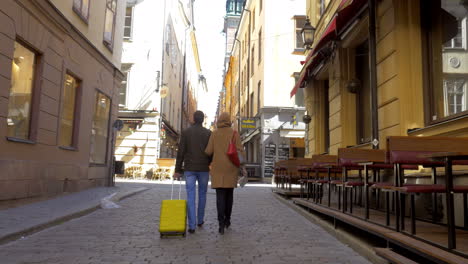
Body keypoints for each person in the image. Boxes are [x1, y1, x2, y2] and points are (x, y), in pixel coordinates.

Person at [205, 112, 245, 234]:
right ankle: (227, 219)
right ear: (228, 121)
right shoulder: (234, 133)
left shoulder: (214, 134)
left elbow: (208, 151)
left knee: (220, 196)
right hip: (231, 168)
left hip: (217, 169)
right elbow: (240, 152)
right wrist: (242, 166)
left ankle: (220, 224)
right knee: (229, 195)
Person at [174, 110, 212, 234]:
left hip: (189, 168)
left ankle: (191, 226)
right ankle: (200, 220)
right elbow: (211, 152)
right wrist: (210, 163)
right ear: (203, 120)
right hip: (204, 169)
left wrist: (178, 170)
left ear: (194, 119)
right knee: (202, 195)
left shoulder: (186, 133)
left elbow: (181, 152)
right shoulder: (208, 133)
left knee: (190, 196)